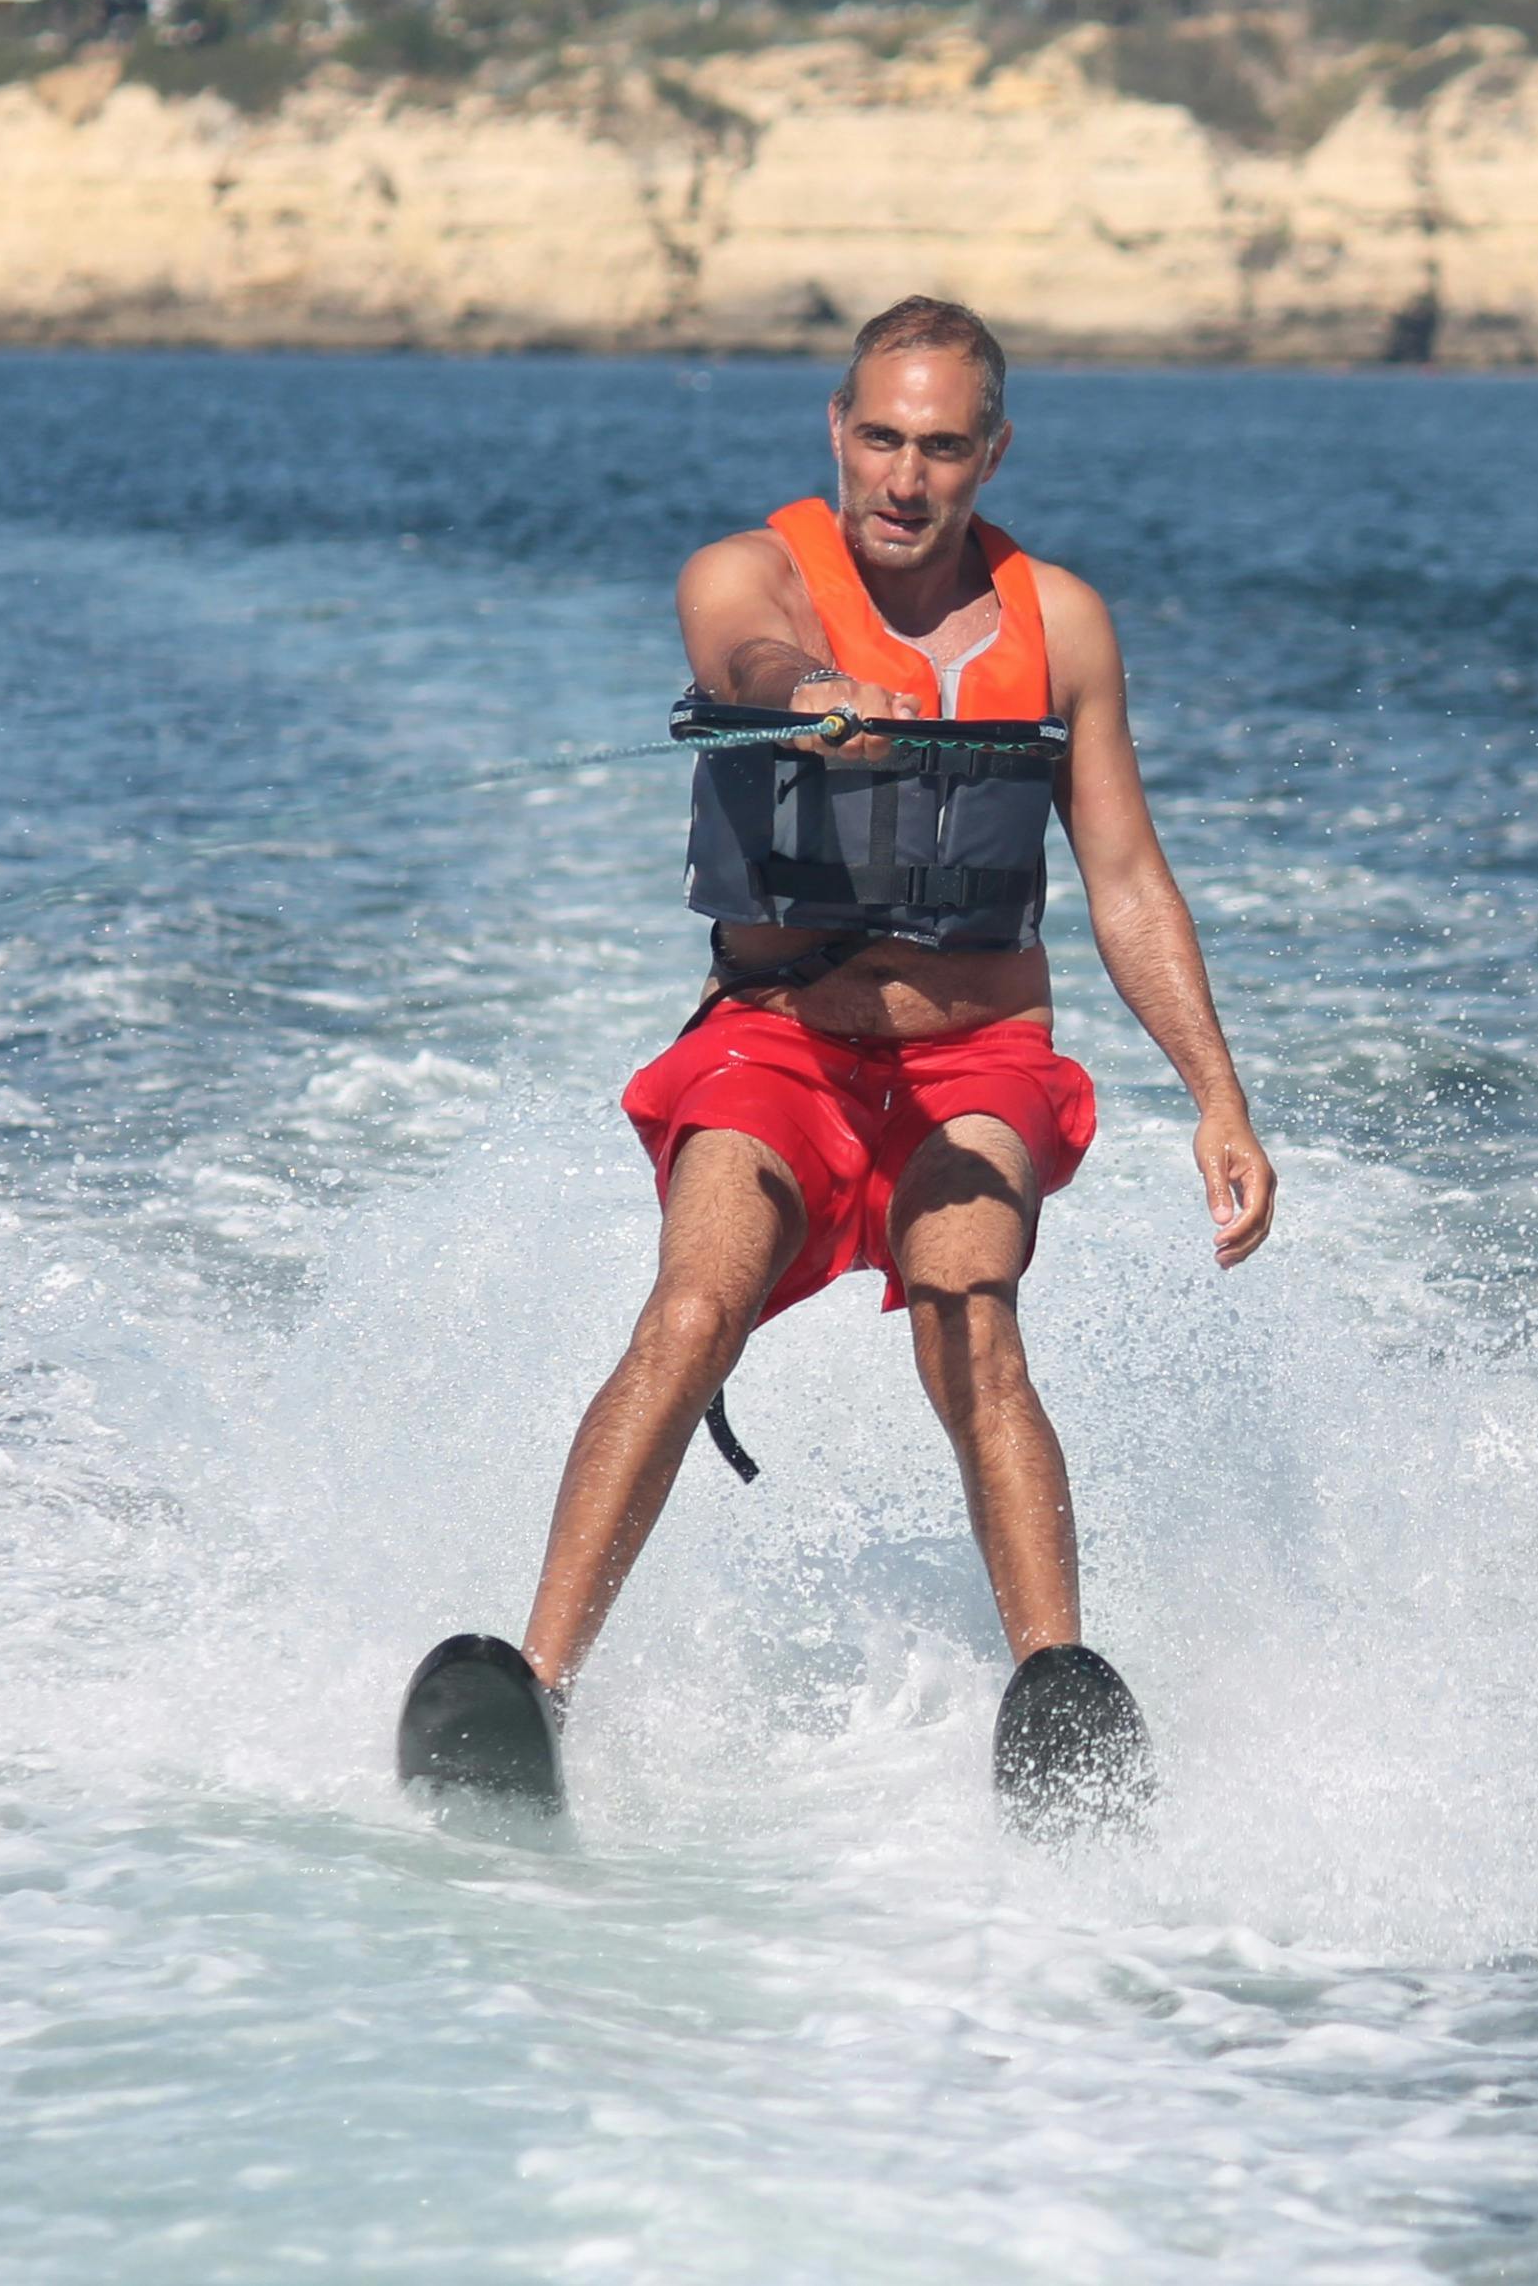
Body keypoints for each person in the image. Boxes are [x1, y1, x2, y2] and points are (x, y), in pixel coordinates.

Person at [406, 297, 1275, 1802]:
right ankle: (535, 1689)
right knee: (692, 1309)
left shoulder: (1060, 625)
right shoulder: (757, 575)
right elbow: (742, 654)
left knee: (971, 1305)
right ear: (837, 428)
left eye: (943, 447)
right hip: (780, 1045)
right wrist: (815, 697)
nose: (906, 477)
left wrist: (1219, 1097)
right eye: (880, 436)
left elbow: (1128, 878)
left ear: (992, 452)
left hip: (975, 1053)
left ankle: (1054, 1698)